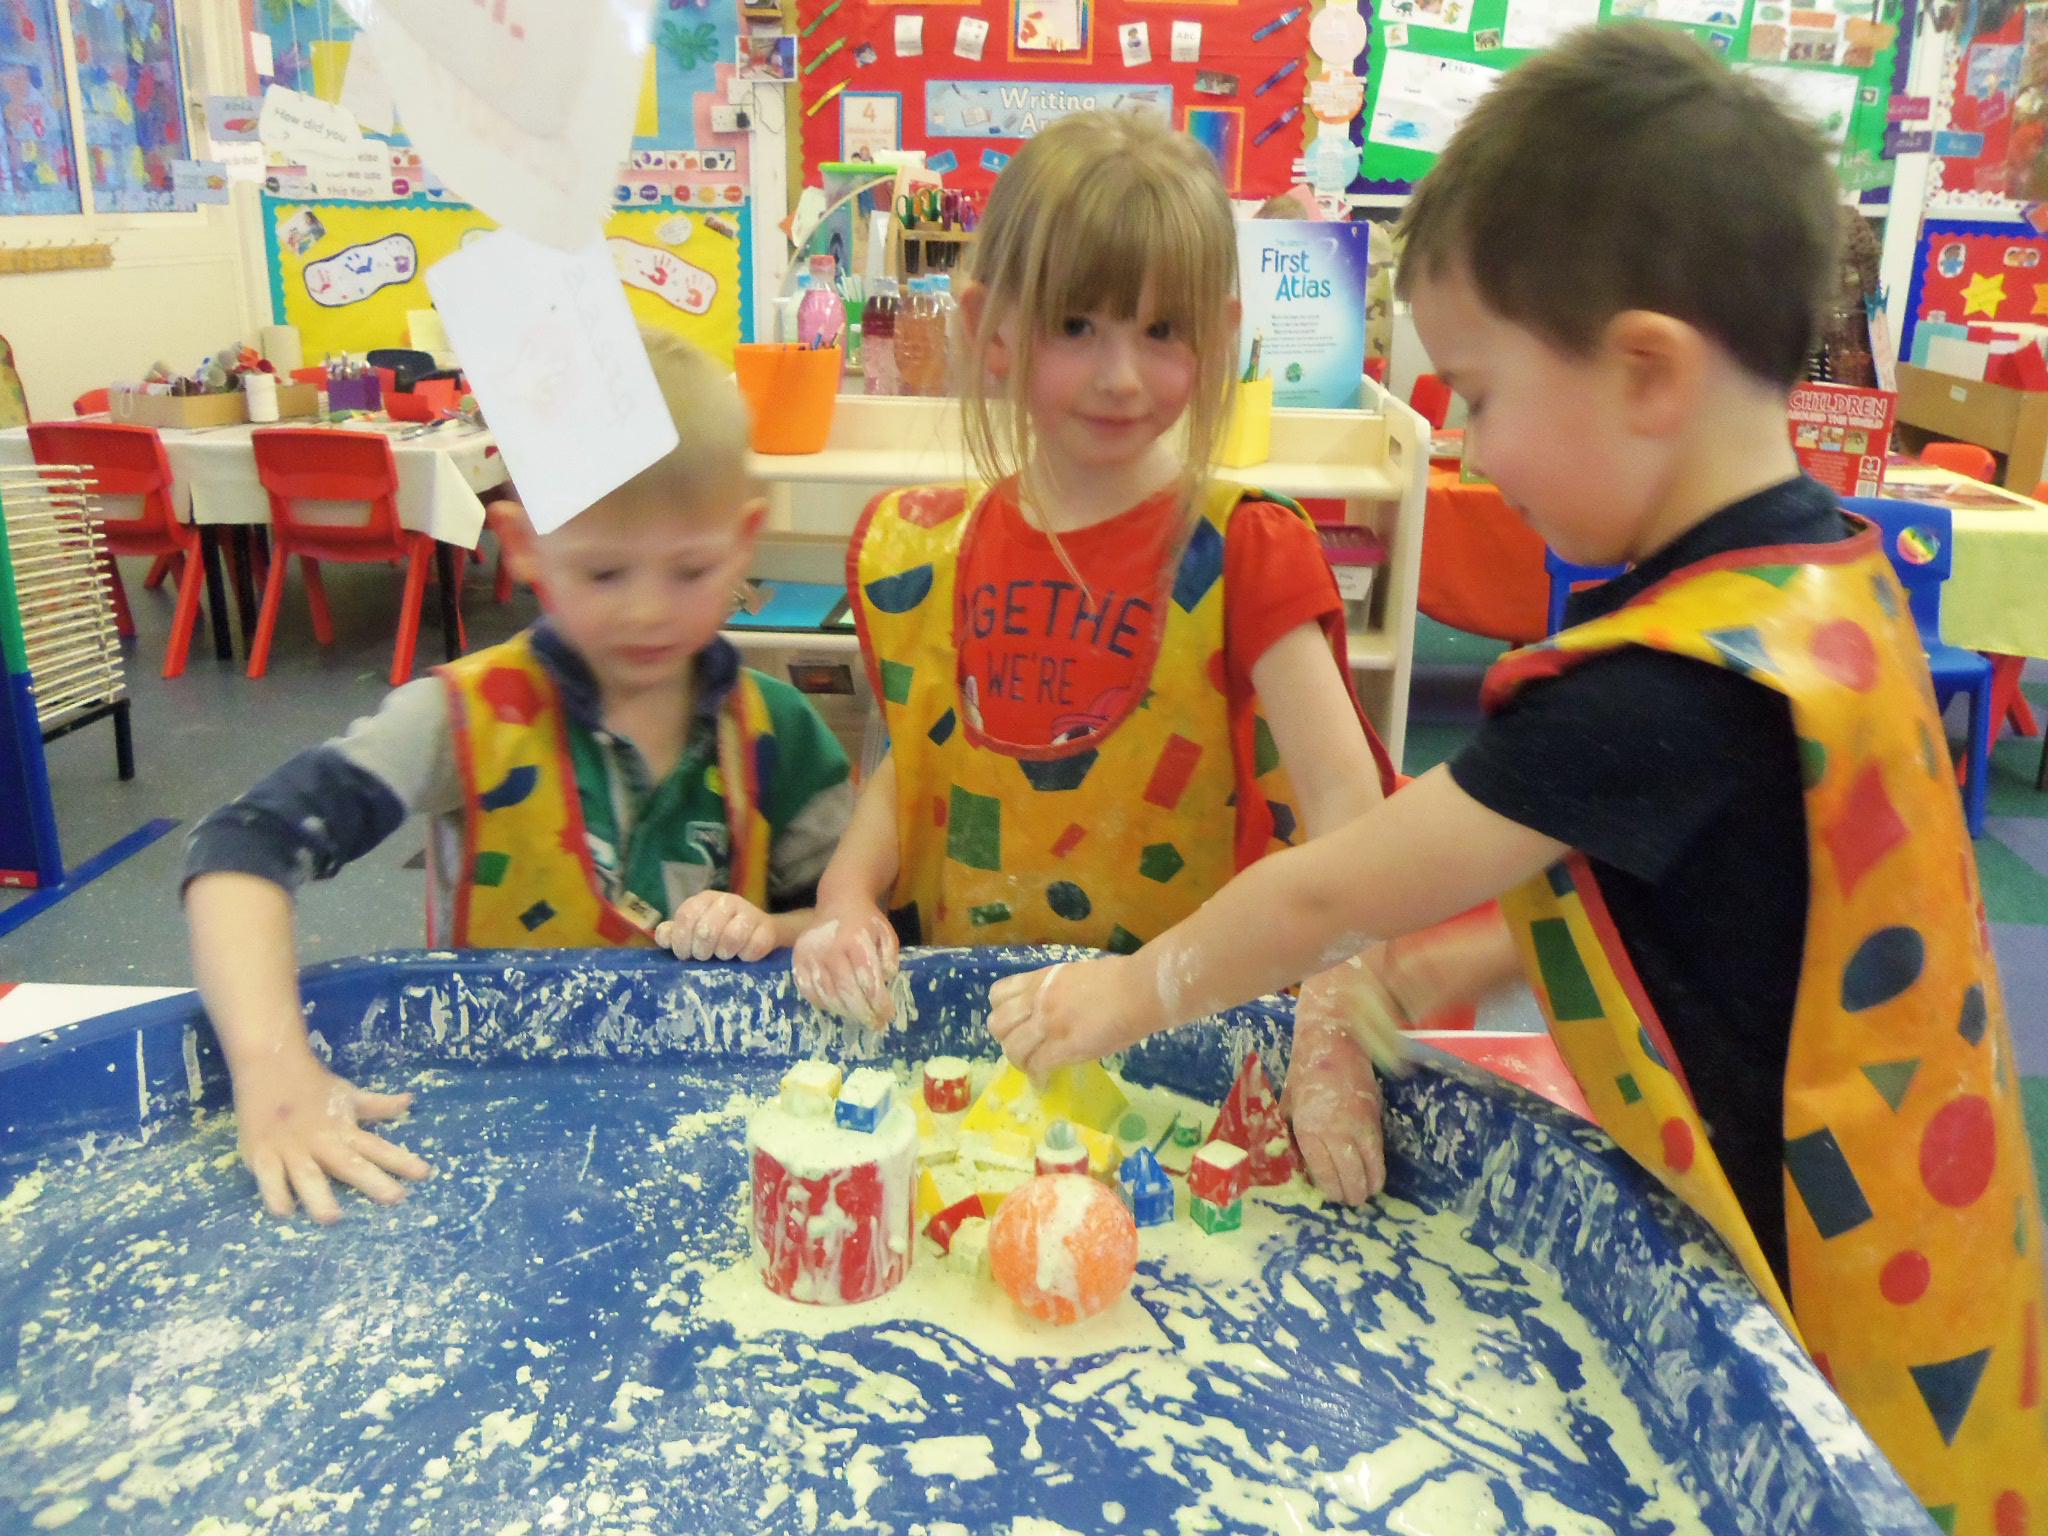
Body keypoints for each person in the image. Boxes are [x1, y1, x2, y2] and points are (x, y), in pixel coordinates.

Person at [985, 27, 2046, 1532]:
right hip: (1958, 1243)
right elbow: (1692, 893)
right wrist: (1423, 977)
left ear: (1646, 372)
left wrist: (1122, 997)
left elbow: (1332, 889)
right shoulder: (1823, 582)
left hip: (1835, 1309)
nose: (1470, 449)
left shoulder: (1661, 684)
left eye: (1478, 396)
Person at [793, 107, 1399, 1204]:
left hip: (1182, 1072)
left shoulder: (1246, 552)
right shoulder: (928, 550)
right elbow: (921, 767)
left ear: (1218, 337)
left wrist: (1331, 1020)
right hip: (971, 1061)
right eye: (1076, 326)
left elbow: (1352, 826)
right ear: (991, 331)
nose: (1122, 375)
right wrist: (846, 893)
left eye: (1163, 331)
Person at [182, 332, 854, 1223]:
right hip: (496, 1145)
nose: (647, 609)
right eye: (603, 571)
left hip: (722, 1139)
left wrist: (773, 927)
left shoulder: (783, 736)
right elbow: (241, 849)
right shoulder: (463, 718)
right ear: (524, 545)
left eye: (691, 570)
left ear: (744, 543)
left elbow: (853, 924)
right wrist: (274, 1074)